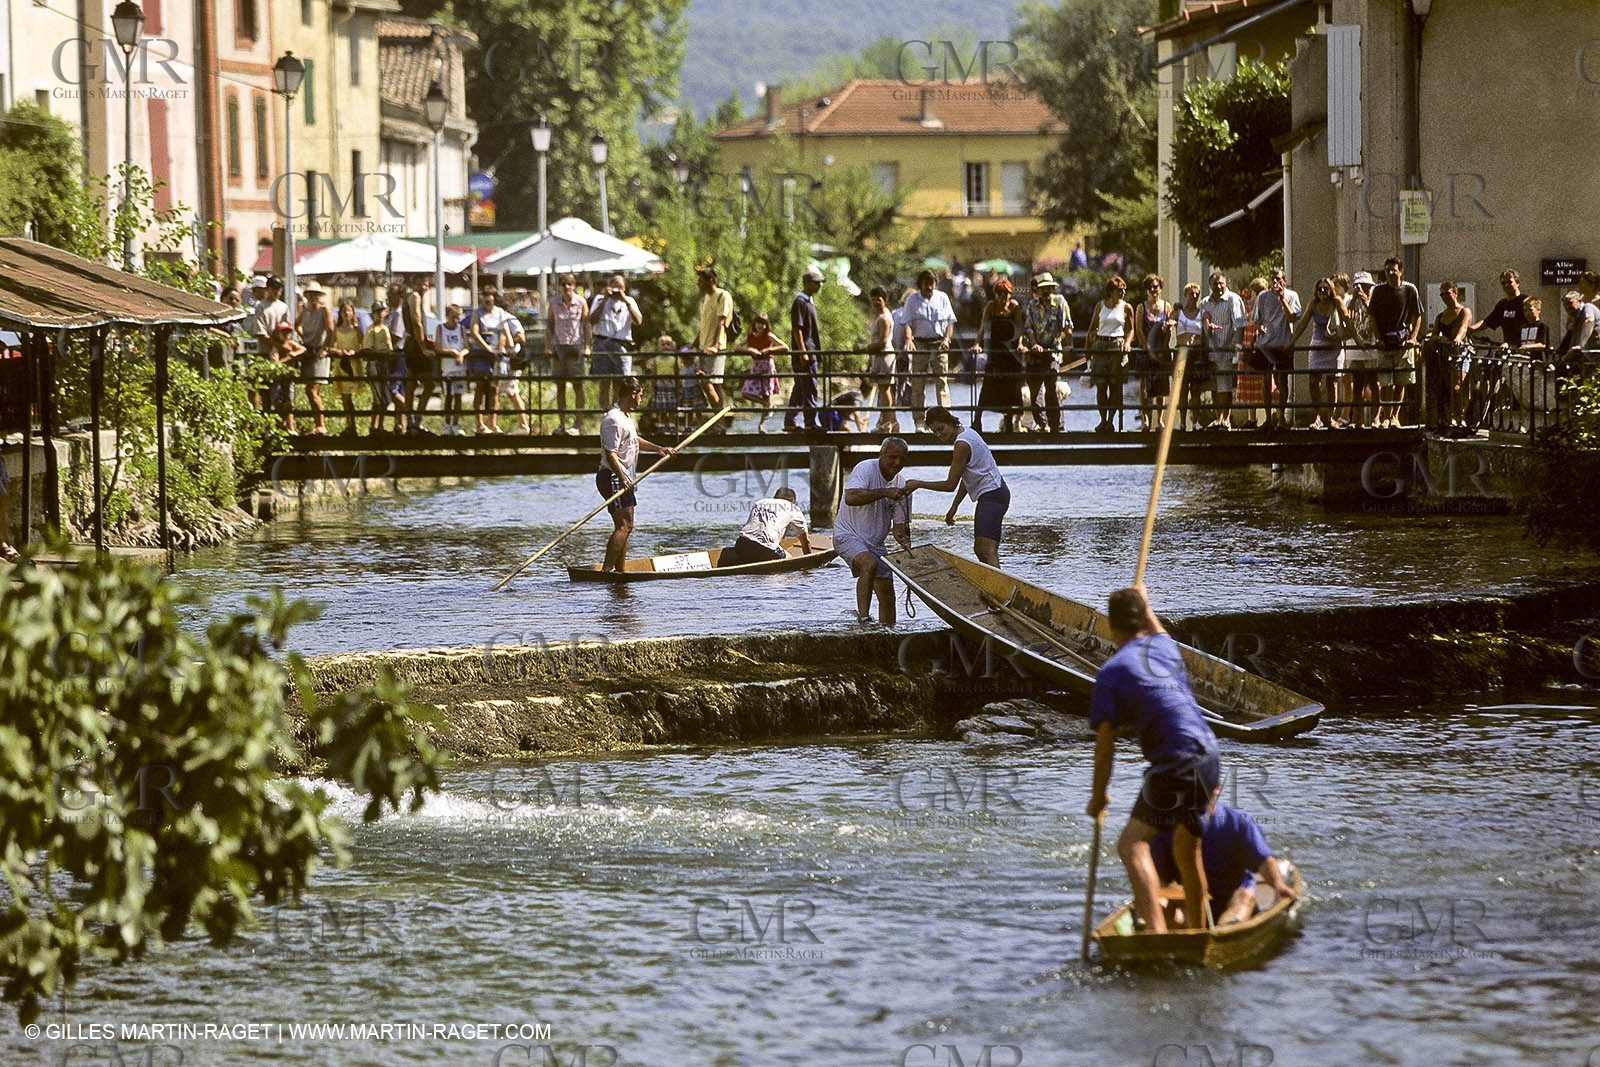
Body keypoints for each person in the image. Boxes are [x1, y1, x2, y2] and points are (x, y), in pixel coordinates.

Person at [1086, 585, 1221, 934]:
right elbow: (1158, 628)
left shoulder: (1111, 672)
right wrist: (1145, 603)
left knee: (1131, 845)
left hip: (1175, 760)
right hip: (1209, 755)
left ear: (1111, 626)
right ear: (1142, 619)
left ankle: (1157, 934)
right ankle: (1197, 933)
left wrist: (1098, 797)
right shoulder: (1164, 647)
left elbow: (1105, 748)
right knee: (1186, 852)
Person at [1150, 789, 1299, 927]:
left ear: (1216, 789)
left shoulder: (1237, 821)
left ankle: (1225, 931)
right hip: (1188, 896)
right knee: (1162, 907)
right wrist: (1159, 901)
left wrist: (1279, 885)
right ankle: (1181, 934)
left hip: (1233, 894)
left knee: (1243, 899)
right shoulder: (1166, 827)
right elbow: (1158, 874)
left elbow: (1263, 861)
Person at [903, 406, 1009, 565]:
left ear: (950, 422)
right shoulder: (967, 432)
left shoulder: (961, 444)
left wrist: (919, 483)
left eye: (941, 429)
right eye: (934, 431)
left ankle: (997, 581)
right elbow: (967, 478)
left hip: (992, 494)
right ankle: (995, 579)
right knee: (982, 549)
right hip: (995, 493)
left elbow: (949, 485)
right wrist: (954, 507)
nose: (938, 434)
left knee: (985, 550)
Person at [597, 376, 677, 572]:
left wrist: (659, 449)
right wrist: (623, 477)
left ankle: (620, 571)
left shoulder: (624, 417)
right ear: (633, 394)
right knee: (624, 526)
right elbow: (611, 453)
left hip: (622, 477)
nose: (641, 399)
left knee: (625, 526)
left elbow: (634, 440)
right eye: (640, 395)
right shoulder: (613, 419)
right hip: (614, 476)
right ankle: (606, 571)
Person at [835, 439, 912, 626]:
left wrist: (903, 540)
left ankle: (889, 630)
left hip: (876, 543)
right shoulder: (865, 468)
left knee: (887, 592)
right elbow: (851, 497)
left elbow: (898, 528)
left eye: (902, 459)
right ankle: (864, 618)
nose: (897, 463)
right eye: (892, 457)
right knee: (868, 564)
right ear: (881, 455)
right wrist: (884, 492)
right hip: (847, 534)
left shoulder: (902, 484)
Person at [1284, 277, 1346, 429]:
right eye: (1320, 289)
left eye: (1325, 288)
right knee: (1313, 381)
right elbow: (1303, 324)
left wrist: (1357, 341)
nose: (1322, 291)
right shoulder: (1313, 304)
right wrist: (1291, 343)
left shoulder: (1336, 302)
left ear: (1331, 290)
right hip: (1317, 346)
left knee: (1331, 383)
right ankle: (1317, 416)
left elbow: (1348, 320)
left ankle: (1330, 417)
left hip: (1333, 346)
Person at [1368, 256, 1422, 428]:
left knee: (1401, 381)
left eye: (1394, 270)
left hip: (1402, 342)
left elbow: (1417, 315)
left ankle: (1395, 417)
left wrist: (1413, 337)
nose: (1391, 273)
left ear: (1401, 271)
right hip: (1385, 342)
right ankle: (1386, 416)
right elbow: (1372, 316)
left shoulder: (1409, 289)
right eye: (1388, 270)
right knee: (1385, 383)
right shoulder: (1378, 291)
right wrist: (1378, 338)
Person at [902, 270, 957, 429]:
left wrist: (947, 339)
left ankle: (946, 418)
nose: (930, 287)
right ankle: (919, 420)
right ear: (921, 284)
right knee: (917, 383)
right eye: (926, 284)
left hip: (939, 344)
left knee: (942, 382)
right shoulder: (912, 300)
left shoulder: (942, 298)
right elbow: (907, 322)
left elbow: (950, 321)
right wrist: (908, 339)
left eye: (932, 284)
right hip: (920, 344)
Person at [1020, 272, 1073, 435]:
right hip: (1035, 353)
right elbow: (1028, 327)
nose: (1046, 291)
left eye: (1049, 288)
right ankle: (1042, 424)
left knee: (1051, 386)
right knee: (1035, 390)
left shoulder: (1060, 302)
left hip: (1052, 350)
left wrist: (1068, 344)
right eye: (1043, 288)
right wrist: (1034, 344)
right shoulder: (1032, 305)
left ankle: (1056, 425)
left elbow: (1067, 325)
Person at [466, 286, 523, 434]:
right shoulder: (477, 313)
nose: (487, 301)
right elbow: (474, 332)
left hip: (497, 355)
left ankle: (492, 423)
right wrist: (487, 348)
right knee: (480, 388)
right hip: (482, 354)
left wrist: (510, 348)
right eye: (485, 298)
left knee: (494, 390)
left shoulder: (499, 312)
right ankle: (479, 424)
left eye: (490, 298)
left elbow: (505, 331)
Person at [1250, 267, 1301, 430]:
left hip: (1283, 343)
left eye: (1278, 279)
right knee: (1265, 381)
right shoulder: (1262, 297)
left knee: (1282, 381)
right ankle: (1268, 418)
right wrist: (1260, 328)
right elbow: (1255, 320)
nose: (1275, 282)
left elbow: (1293, 317)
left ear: (1284, 280)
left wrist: (1282, 299)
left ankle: (1282, 418)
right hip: (1265, 345)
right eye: (1272, 279)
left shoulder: (1292, 296)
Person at [973, 278, 1024, 433]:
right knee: (988, 386)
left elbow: (1019, 329)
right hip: (995, 352)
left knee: (1011, 387)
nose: (1003, 296)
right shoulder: (991, 306)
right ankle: (977, 419)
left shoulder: (1014, 307)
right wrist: (977, 343)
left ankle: (1008, 420)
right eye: (1000, 293)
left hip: (1010, 353)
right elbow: (983, 327)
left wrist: (1020, 344)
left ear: (1010, 294)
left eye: (1006, 293)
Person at [588, 273, 643, 412]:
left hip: (621, 344)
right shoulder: (599, 299)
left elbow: (638, 321)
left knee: (621, 382)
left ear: (624, 288)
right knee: (604, 382)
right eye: (615, 287)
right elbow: (592, 320)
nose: (617, 291)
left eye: (620, 288)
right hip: (602, 342)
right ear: (609, 287)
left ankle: (617, 412)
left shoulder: (629, 300)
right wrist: (605, 299)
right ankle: (605, 413)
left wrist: (625, 300)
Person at [1199, 272, 1246, 430]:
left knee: (1225, 386)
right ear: (1210, 285)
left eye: (1221, 283)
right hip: (1211, 351)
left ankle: (1226, 419)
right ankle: (1218, 418)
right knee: (1215, 387)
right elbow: (1203, 324)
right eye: (1215, 284)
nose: (1218, 286)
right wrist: (1208, 326)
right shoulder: (1205, 302)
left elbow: (1240, 325)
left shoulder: (1233, 299)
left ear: (1225, 283)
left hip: (1226, 350)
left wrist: (1237, 348)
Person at [720, 486, 813, 566]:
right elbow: (806, 542)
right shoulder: (793, 508)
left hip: (741, 544)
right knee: (789, 558)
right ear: (793, 501)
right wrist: (809, 564)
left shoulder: (759, 503)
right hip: (765, 549)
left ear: (774, 497)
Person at [1425, 281, 1473, 436]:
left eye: (1448, 293)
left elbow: (1464, 327)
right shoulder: (1441, 316)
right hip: (1444, 355)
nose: (1445, 297)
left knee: (1457, 387)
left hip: (1459, 354)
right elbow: (1434, 334)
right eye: (1442, 295)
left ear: (1455, 293)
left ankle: (1460, 419)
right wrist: (1439, 338)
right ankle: (1448, 420)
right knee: (1445, 390)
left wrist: (1458, 338)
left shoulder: (1464, 311)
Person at [1088, 277, 1133, 434]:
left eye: (1124, 289)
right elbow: (1092, 328)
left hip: (1117, 345)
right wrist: (1088, 349)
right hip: (1101, 344)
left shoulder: (1126, 307)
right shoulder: (1100, 305)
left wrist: (1127, 342)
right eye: (1120, 289)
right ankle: (1103, 420)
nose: (1123, 292)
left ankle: (1111, 421)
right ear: (1111, 291)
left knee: (1115, 385)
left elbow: (1131, 329)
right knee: (1101, 385)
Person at [548, 274, 590, 436]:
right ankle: (562, 424)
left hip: (575, 346)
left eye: (569, 284)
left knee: (578, 385)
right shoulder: (554, 302)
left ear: (574, 286)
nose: (566, 287)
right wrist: (548, 346)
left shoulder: (581, 302)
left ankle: (578, 424)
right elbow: (549, 325)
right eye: (563, 284)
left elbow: (586, 325)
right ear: (560, 286)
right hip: (559, 347)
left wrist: (587, 346)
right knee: (560, 386)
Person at [1132, 274, 1175, 432]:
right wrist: (1148, 349)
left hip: (1162, 350)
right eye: (1150, 287)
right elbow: (1138, 329)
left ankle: (1159, 420)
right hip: (1146, 350)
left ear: (1160, 288)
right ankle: (1145, 420)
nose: (1153, 289)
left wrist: (1162, 348)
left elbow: (1169, 330)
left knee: (1161, 386)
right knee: (1144, 386)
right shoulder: (1141, 307)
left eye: (1155, 286)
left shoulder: (1166, 306)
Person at [786, 268, 825, 432]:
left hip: (810, 351)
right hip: (806, 352)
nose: (819, 286)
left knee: (800, 387)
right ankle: (810, 422)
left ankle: (790, 421)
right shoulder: (800, 302)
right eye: (816, 283)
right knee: (809, 387)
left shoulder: (808, 301)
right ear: (807, 283)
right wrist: (803, 352)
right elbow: (797, 328)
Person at [738, 313, 787, 433]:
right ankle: (766, 404)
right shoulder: (750, 336)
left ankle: (761, 426)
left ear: (766, 325)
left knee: (766, 394)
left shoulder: (768, 335)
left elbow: (785, 347)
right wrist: (750, 349)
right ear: (755, 324)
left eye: (763, 324)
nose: (760, 326)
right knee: (745, 392)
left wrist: (770, 349)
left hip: (767, 366)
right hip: (756, 367)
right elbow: (737, 347)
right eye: (758, 323)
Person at [1343, 271, 1381, 428]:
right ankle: (1356, 419)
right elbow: (1347, 319)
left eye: (1365, 286)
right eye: (1359, 286)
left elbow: (1377, 318)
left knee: (1374, 383)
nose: (1362, 289)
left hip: (1371, 345)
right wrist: (1353, 300)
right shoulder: (1349, 301)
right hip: (1356, 346)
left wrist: (1366, 302)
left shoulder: (1375, 299)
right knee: (1357, 384)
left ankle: (1376, 418)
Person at [294, 283, 333, 435]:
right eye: (310, 294)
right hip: (308, 351)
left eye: (315, 294)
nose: (312, 297)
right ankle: (318, 424)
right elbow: (296, 325)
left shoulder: (324, 310)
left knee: (312, 390)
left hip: (318, 353)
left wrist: (325, 348)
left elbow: (331, 331)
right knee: (310, 390)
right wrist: (303, 337)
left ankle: (321, 425)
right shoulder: (304, 310)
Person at [695, 267, 734, 410]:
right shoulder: (705, 298)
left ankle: (719, 417)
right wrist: (693, 343)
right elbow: (704, 324)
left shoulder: (722, 295)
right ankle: (719, 417)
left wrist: (716, 346)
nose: (698, 283)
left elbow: (721, 322)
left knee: (711, 383)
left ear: (710, 280)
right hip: (703, 347)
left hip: (715, 347)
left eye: (701, 281)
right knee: (708, 383)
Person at [328, 298, 364, 436]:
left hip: (353, 364)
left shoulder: (357, 329)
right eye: (344, 311)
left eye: (349, 311)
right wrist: (339, 352)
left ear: (353, 312)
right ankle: (349, 425)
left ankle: (352, 425)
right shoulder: (337, 330)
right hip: (341, 364)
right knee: (344, 397)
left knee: (349, 396)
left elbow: (363, 346)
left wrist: (354, 352)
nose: (347, 313)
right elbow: (330, 346)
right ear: (340, 313)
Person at [363, 302, 400, 435]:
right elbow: (367, 349)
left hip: (384, 365)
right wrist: (382, 353)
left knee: (385, 397)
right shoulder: (371, 329)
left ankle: (380, 426)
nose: (379, 314)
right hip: (374, 364)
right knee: (378, 397)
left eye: (381, 311)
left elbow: (389, 348)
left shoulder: (385, 329)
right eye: (377, 312)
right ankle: (375, 427)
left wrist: (389, 354)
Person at [1174, 283, 1207, 432]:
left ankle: (1196, 422)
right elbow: (1169, 321)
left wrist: (1210, 326)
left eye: (1196, 294)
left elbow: (1207, 324)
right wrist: (1168, 323)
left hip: (1196, 353)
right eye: (1191, 294)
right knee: (1182, 389)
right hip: (1182, 352)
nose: (1194, 296)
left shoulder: (1202, 312)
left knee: (1195, 389)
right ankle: (1182, 422)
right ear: (1185, 295)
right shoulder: (1178, 312)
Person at [865, 287, 898, 433]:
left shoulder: (884, 318)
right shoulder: (878, 316)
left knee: (885, 389)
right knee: (883, 389)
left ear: (885, 300)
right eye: (873, 300)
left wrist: (864, 348)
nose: (875, 303)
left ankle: (888, 422)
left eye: (878, 299)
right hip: (878, 356)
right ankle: (890, 422)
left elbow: (883, 342)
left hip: (884, 356)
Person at [402, 288, 433, 435]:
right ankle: (414, 422)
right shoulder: (415, 296)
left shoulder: (408, 296)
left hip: (411, 344)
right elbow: (417, 322)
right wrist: (423, 348)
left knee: (411, 385)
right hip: (416, 346)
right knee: (428, 384)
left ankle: (411, 422)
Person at [1470, 268, 1528, 348]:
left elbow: (1536, 323)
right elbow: (1488, 322)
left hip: (1525, 348)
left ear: (1517, 283)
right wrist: (1471, 329)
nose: (1506, 285)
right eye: (1503, 283)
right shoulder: (1502, 305)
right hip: (1508, 348)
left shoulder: (1525, 301)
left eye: (1509, 282)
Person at [435, 303, 469, 436]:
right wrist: (451, 352)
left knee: (458, 396)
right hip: (447, 368)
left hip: (459, 368)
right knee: (448, 397)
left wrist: (461, 354)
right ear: (447, 316)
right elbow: (437, 348)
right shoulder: (440, 328)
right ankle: (447, 424)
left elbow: (466, 347)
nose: (456, 320)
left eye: (458, 317)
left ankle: (456, 424)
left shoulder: (461, 329)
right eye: (453, 317)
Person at [265, 321, 305, 429]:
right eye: (283, 332)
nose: (286, 335)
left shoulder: (291, 344)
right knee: (277, 401)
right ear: (278, 333)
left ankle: (290, 426)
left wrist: (294, 353)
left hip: (289, 377)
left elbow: (303, 349)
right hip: (278, 378)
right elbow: (275, 363)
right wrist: (287, 358)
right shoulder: (276, 347)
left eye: (288, 332)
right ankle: (279, 425)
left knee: (289, 402)